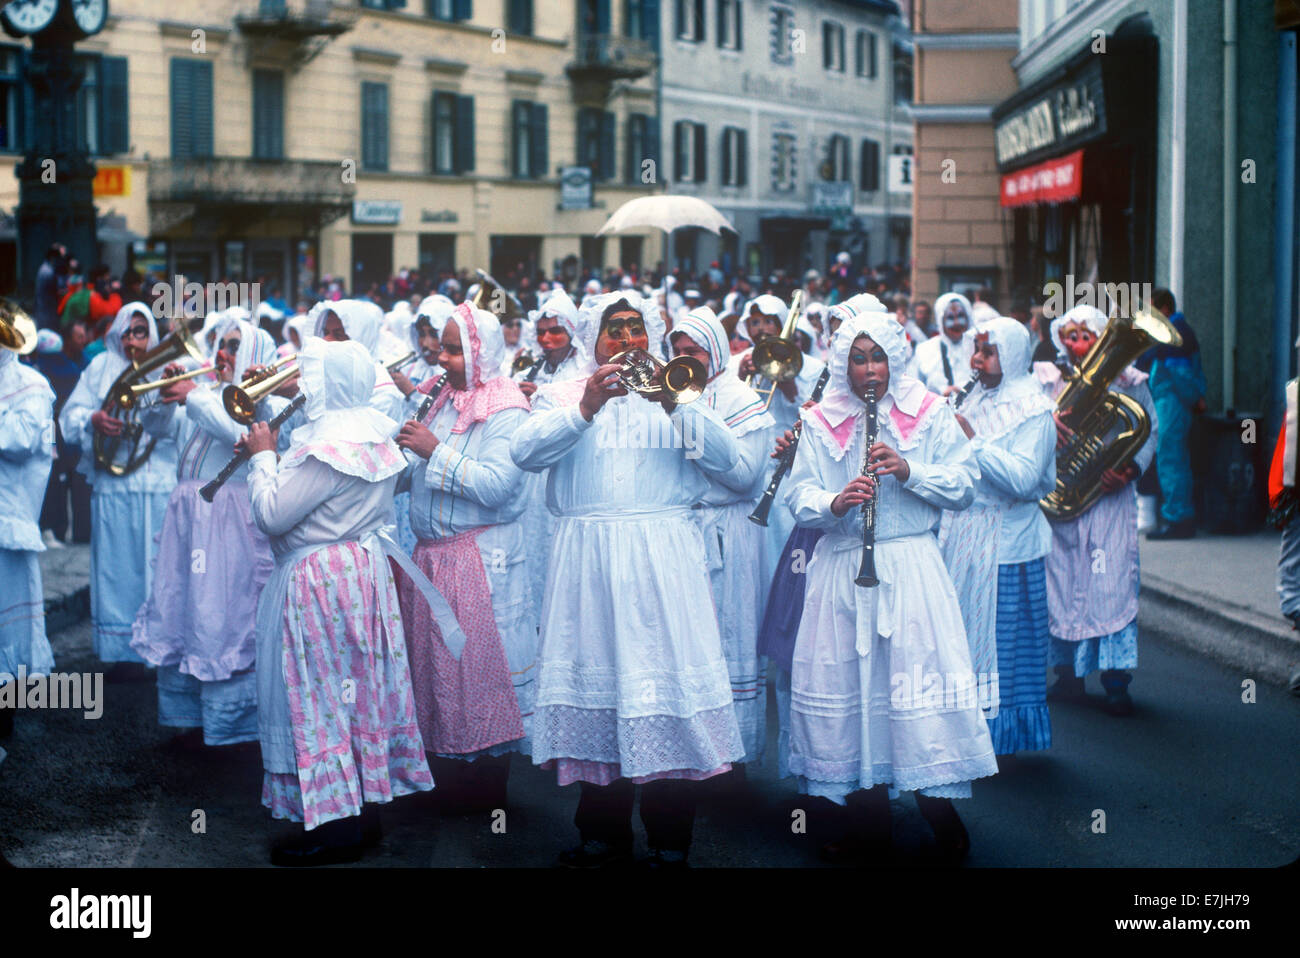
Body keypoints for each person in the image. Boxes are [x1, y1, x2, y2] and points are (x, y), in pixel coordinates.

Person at [509, 292, 745, 868]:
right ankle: (602, 834)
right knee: (603, 691)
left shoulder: (679, 393)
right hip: (588, 562)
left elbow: (737, 468)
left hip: (663, 559)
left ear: (652, 336)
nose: (626, 340)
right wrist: (584, 407)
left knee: (663, 694)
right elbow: (523, 454)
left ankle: (670, 838)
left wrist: (674, 402)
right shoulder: (564, 395)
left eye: (635, 329)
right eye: (612, 330)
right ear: (593, 342)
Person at [784, 294, 995, 864]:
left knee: (916, 691)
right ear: (841, 364)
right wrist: (833, 501)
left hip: (910, 567)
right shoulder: (818, 418)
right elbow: (795, 494)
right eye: (858, 359)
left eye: (878, 358)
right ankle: (866, 819)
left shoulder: (929, 412)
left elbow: (965, 484)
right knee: (853, 693)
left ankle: (940, 815)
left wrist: (911, 469)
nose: (870, 369)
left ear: (895, 359)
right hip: (841, 567)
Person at [246, 338, 433, 866]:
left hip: (318, 580)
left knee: (317, 697)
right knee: (357, 694)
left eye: (309, 378)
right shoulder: (374, 434)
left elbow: (273, 515)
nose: (303, 387)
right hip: (360, 573)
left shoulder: (328, 447)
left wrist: (263, 459)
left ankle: (334, 827)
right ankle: (363, 813)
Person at [393, 302, 534, 813]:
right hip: (436, 558)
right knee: (440, 668)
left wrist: (435, 451)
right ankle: (450, 768)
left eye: (454, 350)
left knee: (482, 669)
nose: (443, 359)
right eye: (444, 348)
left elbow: (500, 487)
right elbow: (412, 464)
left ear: (481, 351)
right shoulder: (445, 398)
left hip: (480, 558)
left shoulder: (508, 407)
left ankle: (488, 789)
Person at [129, 316, 281, 751]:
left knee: (222, 613)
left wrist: (194, 395)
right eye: (218, 343)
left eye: (233, 346)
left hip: (226, 522)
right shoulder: (208, 397)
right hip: (189, 521)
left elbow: (238, 433)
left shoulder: (259, 404)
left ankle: (233, 722)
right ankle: (188, 712)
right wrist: (163, 399)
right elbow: (160, 430)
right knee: (185, 608)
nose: (221, 353)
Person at [1038, 304, 1156, 716]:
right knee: (1064, 583)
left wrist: (1127, 470)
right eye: (1069, 337)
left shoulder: (1132, 381)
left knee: (1111, 585)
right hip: (1066, 497)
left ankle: (1116, 680)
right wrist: (1044, 427)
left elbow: (1148, 430)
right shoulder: (1047, 381)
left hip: (1109, 499)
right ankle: (1067, 676)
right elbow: (1029, 427)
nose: (1076, 345)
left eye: (1085, 336)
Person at [670, 306, 775, 766]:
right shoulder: (670, 393)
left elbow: (747, 477)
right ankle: (693, 751)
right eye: (676, 351)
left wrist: (699, 459)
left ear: (714, 351)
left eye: (692, 350)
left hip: (729, 533)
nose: (684, 358)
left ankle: (731, 757)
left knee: (729, 634)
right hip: (684, 531)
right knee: (689, 640)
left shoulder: (740, 399)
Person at [948, 316, 1057, 754]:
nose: (976, 359)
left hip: (1009, 544)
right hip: (966, 538)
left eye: (986, 351)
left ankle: (1001, 736)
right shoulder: (976, 396)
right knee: (965, 639)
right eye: (976, 349)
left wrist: (972, 442)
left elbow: (1026, 479)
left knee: (1002, 647)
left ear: (1011, 355)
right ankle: (964, 733)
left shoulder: (1035, 409)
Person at [59, 303, 179, 679]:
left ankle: (157, 647)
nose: (132, 340)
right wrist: (93, 419)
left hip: (156, 478)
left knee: (155, 567)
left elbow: (171, 424)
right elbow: (69, 415)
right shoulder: (99, 368)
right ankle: (120, 650)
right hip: (115, 483)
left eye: (140, 332)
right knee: (117, 568)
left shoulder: (164, 369)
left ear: (151, 336)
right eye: (126, 332)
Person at [728, 294, 829, 588]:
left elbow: (816, 416)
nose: (761, 329)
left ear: (782, 324)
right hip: (750, 469)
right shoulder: (739, 361)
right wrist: (739, 377)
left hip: (787, 471)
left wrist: (788, 381)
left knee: (783, 551)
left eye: (769, 321)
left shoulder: (810, 366)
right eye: (755, 322)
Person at [0, 321, 56, 743]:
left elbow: (18, 439)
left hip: (8, 523)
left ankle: (3, 728)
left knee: (8, 635)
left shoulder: (32, 384)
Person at [1143, 288, 1205, 539]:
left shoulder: (1175, 335)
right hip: (1172, 402)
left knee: (1171, 459)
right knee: (1174, 459)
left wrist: (1193, 398)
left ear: (1165, 309)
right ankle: (1179, 515)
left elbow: (1182, 375)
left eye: (1153, 309)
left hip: (1173, 403)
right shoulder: (1176, 332)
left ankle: (1177, 518)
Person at [33, 323, 91, 546]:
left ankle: (53, 529)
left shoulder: (44, 370)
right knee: (56, 480)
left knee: (55, 480)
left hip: (54, 433)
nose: (82, 340)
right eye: (78, 336)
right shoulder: (67, 369)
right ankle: (55, 529)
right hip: (54, 433)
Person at [911, 292, 974, 396]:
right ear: (941, 320)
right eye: (950, 317)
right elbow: (914, 391)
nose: (956, 323)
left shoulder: (980, 349)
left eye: (961, 316)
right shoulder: (924, 350)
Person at [35, 244, 66, 331]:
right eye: (59, 257)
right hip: (48, 314)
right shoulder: (48, 272)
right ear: (53, 257)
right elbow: (57, 292)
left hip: (43, 312)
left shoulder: (45, 268)